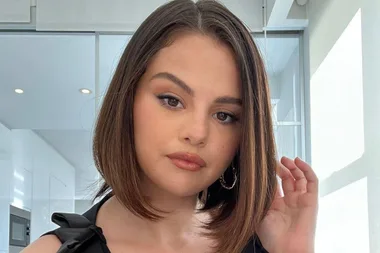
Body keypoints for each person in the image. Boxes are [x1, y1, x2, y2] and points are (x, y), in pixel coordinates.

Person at [22, 0, 319, 252]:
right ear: (128, 99)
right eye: (171, 100)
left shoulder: (259, 244)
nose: (197, 133)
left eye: (224, 115)